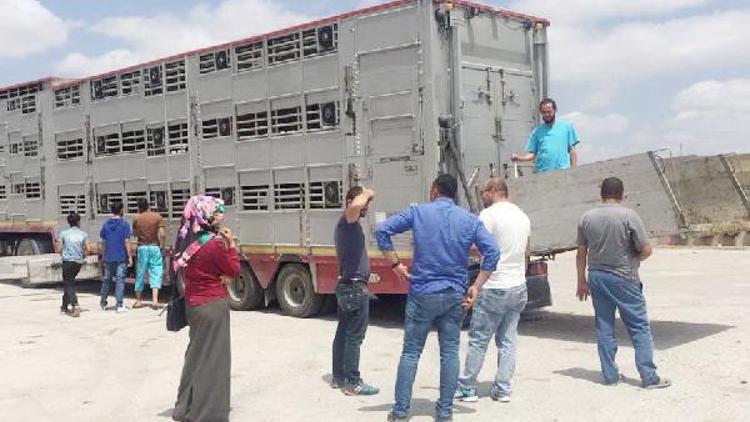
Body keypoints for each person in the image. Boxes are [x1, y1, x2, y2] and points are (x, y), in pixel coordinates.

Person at [375, 174, 500, 422]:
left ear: (434, 190)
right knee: (450, 353)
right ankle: (444, 412)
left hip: (422, 293)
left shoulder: (419, 213)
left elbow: (383, 231)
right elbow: (493, 251)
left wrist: (396, 265)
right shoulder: (469, 220)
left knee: (411, 352)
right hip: (454, 295)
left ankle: (400, 412)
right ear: (454, 194)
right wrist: (477, 285)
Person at [576, 177, 671, 389]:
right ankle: (649, 377)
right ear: (622, 194)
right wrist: (634, 260)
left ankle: (610, 376)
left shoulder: (586, 217)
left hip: (597, 277)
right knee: (639, 327)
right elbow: (646, 249)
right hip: (624, 277)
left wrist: (581, 281)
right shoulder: (629, 216)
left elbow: (581, 253)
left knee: (604, 326)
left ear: (601, 194)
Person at [455, 177, 530, 403]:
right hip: (517, 286)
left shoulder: (489, 215)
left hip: (494, 285)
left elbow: (479, 246)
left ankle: (467, 387)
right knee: (508, 340)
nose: (482, 196)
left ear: (495, 191)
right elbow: (527, 251)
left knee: (479, 339)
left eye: (484, 192)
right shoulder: (522, 215)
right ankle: (503, 388)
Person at [172, 195, 239, 422]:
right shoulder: (214, 244)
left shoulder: (190, 242)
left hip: (194, 305)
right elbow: (234, 268)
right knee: (214, 360)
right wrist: (232, 245)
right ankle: (207, 413)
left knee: (196, 356)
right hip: (212, 306)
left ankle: (185, 407)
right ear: (209, 216)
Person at [332, 186, 379, 396]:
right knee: (354, 336)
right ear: (351, 201)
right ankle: (353, 382)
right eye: (365, 203)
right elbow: (357, 205)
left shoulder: (350, 225)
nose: (367, 206)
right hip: (353, 288)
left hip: (348, 284)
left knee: (343, 332)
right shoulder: (347, 221)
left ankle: (339, 377)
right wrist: (368, 192)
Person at [511, 98, 579, 173]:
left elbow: (572, 150)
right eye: (544, 112)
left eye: (549, 112)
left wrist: (574, 170)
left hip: (562, 172)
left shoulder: (567, 127)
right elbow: (532, 154)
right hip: (543, 173)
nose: (546, 114)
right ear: (541, 112)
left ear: (555, 110)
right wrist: (519, 158)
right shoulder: (536, 132)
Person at [132, 198, 166, 310]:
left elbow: (135, 233)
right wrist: (162, 245)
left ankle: (138, 301)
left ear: (139, 207)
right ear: (148, 205)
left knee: (140, 273)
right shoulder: (157, 217)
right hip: (154, 247)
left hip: (142, 247)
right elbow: (162, 234)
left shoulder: (137, 218)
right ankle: (155, 301)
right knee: (156, 272)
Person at [56, 212, 91, 318]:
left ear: (68, 222)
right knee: (69, 282)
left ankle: (75, 304)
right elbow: (88, 249)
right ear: (79, 222)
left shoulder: (63, 234)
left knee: (69, 283)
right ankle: (64, 306)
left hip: (67, 261)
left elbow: (59, 248)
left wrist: (63, 254)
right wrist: (83, 256)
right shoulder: (84, 234)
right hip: (78, 262)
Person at [99, 202, 132, 313]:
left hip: (108, 256)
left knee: (106, 280)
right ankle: (119, 305)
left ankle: (103, 302)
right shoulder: (124, 225)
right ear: (121, 210)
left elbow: (103, 242)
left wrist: (103, 255)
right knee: (120, 281)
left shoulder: (106, 225)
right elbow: (127, 241)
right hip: (121, 256)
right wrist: (130, 256)